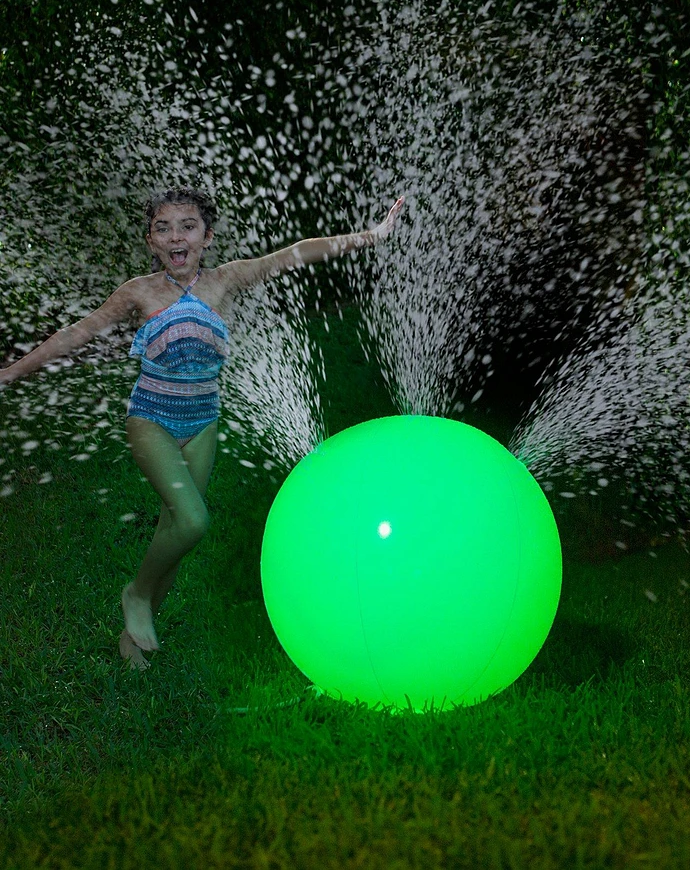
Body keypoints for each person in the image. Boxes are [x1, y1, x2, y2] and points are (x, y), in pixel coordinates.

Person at [0, 186, 404, 671]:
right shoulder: (139, 292)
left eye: (187, 226)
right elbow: (75, 334)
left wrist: (371, 235)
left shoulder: (225, 280)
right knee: (193, 519)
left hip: (203, 422)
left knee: (177, 529)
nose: (176, 237)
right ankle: (136, 595)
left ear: (207, 236)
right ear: (151, 240)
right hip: (151, 418)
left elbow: (297, 254)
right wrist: (9, 373)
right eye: (163, 228)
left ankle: (136, 639)